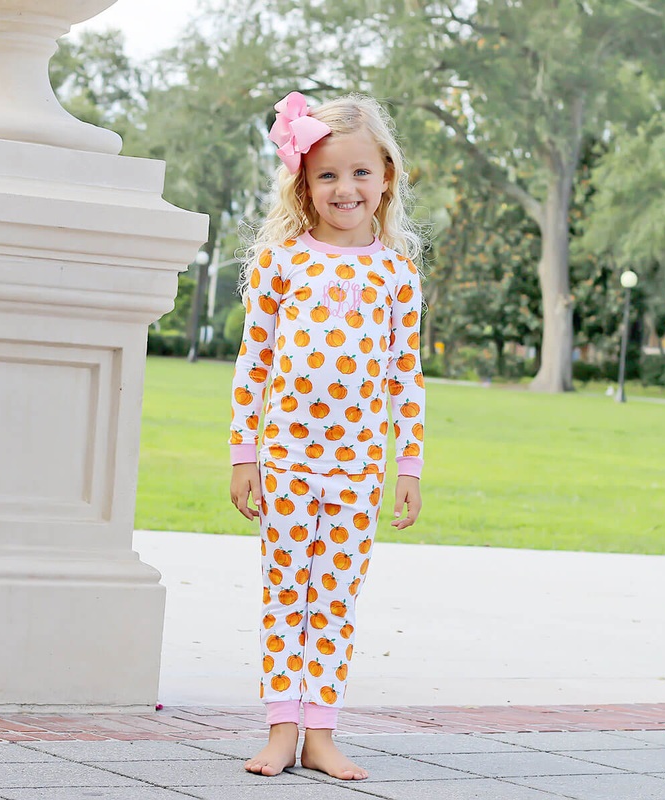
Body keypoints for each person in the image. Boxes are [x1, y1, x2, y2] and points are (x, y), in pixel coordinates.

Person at [229, 91, 426, 781]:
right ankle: (281, 729)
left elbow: (407, 378)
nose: (346, 189)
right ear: (304, 185)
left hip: (357, 466)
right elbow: (252, 365)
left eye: (361, 174)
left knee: (336, 596)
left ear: (387, 179)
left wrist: (409, 466)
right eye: (328, 176)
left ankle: (321, 732)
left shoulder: (395, 276)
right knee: (285, 591)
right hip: (285, 459)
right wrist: (244, 454)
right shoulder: (283, 263)